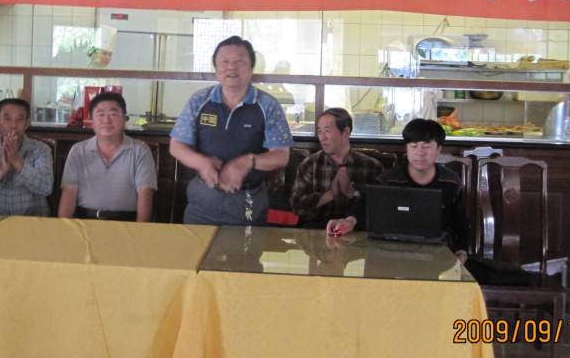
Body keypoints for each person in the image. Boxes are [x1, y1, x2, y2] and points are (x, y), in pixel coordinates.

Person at [170, 35, 294, 225]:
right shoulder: (199, 100)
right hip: (203, 198)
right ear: (216, 68)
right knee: (197, 244)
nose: (231, 67)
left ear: (251, 68)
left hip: (248, 199)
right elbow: (176, 145)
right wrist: (202, 163)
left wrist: (247, 162)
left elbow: (281, 156)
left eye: (239, 61)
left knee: (246, 245)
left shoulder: (268, 105)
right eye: (224, 61)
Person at [327, 118, 470, 263]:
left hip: (436, 253)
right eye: (414, 146)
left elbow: (460, 222)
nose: (420, 153)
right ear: (407, 148)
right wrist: (350, 221)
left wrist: (462, 251)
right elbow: (366, 204)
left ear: (439, 149)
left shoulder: (450, 181)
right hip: (392, 251)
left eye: (427, 147)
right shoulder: (389, 179)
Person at [58, 91, 157, 222]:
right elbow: (69, 193)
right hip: (85, 222)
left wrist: (139, 231)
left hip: (127, 223)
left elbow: (145, 194)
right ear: (91, 121)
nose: (106, 120)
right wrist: (64, 227)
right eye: (100, 114)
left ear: (124, 119)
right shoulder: (78, 151)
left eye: (113, 114)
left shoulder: (140, 151)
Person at [290, 107, 384, 230]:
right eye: (319, 131)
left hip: (356, 230)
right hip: (316, 230)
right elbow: (297, 206)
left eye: (327, 131)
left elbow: (380, 208)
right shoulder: (309, 164)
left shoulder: (371, 166)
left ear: (346, 133)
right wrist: (330, 194)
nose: (322, 137)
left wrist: (352, 193)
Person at [0, 98, 54, 216]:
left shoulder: (41, 150)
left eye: (20, 119)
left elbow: (47, 188)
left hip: (32, 221)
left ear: (27, 123)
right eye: (7, 118)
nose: (13, 125)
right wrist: (1, 172)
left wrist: (17, 161)